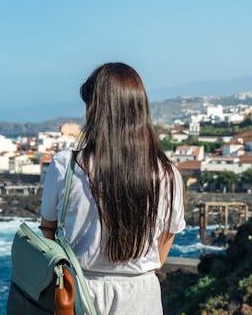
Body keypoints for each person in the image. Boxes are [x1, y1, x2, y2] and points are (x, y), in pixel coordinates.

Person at [39, 63, 186, 314]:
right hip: (140, 295)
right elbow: (164, 245)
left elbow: (48, 231)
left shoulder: (67, 165)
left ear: (95, 110)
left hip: (78, 291)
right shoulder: (167, 174)